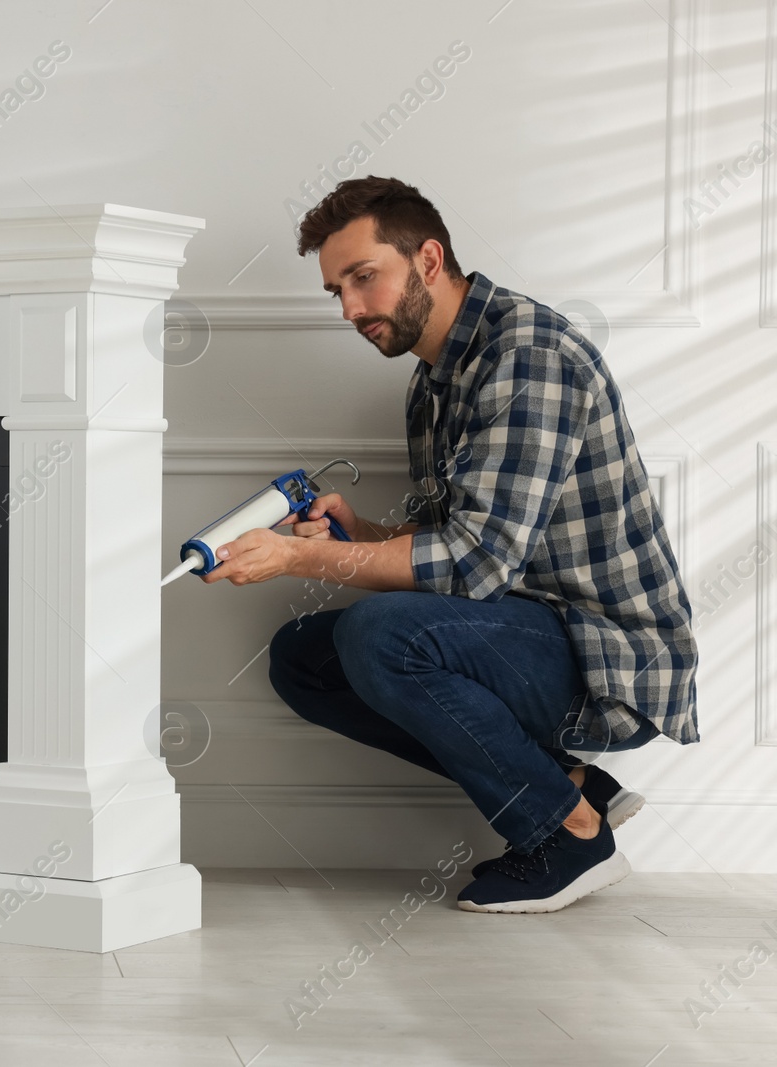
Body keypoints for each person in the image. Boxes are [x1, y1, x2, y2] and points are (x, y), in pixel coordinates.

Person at [202, 175, 698, 913]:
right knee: (302, 658)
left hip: (606, 658)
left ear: (428, 260)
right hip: (525, 629)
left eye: (363, 278)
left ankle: (568, 833)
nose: (350, 308)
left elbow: (472, 565)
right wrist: (365, 535)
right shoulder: (434, 382)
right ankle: (571, 786)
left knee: (379, 635)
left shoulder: (528, 357)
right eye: (336, 289)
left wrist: (303, 558)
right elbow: (464, 541)